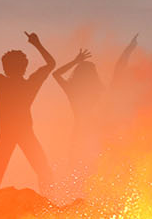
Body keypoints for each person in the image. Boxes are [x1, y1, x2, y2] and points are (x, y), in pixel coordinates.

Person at [0, 34, 55, 202]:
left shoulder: (1, 82)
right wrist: (37, 44)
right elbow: (51, 64)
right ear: (24, 67)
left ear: (5, 68)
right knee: (43, 170)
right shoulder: (30, 83)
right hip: (23, 133)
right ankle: (49, 204)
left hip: (10, 133)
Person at [51, 35, 137, 176]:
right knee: (95, 165)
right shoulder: (97, 92)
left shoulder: (73, 90)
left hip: (82, 130)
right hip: (96, 130)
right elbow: (117, 73)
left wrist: (75, 61)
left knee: (78, 164)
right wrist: (127, 52)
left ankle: (79, 194)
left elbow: (56, 74)